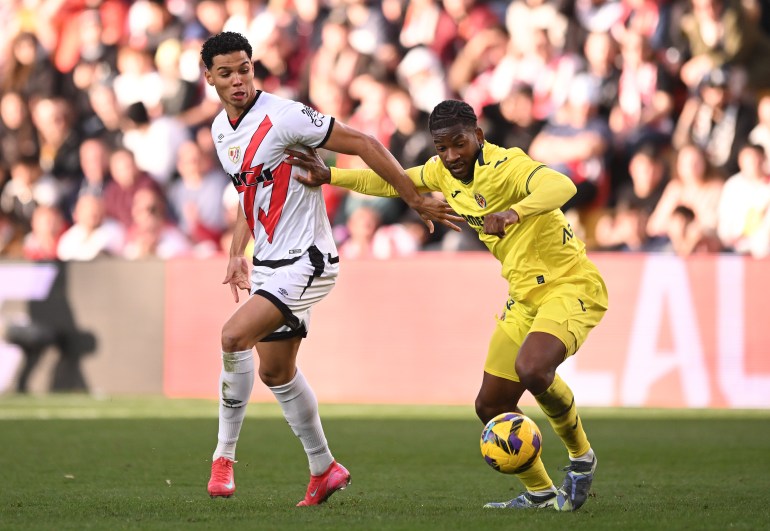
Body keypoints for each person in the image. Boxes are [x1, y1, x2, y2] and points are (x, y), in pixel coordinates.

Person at [289, 99, 609, 512]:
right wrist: (330, 175)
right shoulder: (442, 172)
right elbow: (393, 181)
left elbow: (563, 187)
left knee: (532, 368)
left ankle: (581, 459)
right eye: (442, 147)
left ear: (477, 135)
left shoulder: (508, 165)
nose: (451, 156)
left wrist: (514, 212)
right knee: (490, 406)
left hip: (570, 285)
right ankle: (541, 493)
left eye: (459, 144)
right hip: (523, 297)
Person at [199, 31, 460, 505]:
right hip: (268, 262)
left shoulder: (285, 116)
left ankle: (223, 457)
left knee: (233, 337)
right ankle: (324, 468)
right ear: (209, 78)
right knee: (276, 372)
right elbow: (249, 192)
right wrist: (238, 250)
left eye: (244, 69)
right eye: (226, 73)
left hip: (309, 260)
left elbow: (362, 141)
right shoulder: (221, 132)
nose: (238, 80)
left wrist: (414, 196)